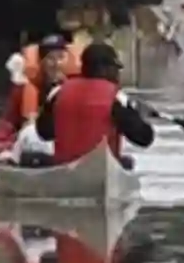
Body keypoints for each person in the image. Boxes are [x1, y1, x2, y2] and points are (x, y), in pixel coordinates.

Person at [35, 41, 154, 169]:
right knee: (127, 162)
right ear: (105, 69)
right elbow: (144, 138)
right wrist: (138, 116)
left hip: (63, 167)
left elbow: (44, 133)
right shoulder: (117, 97)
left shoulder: (58, 92)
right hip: (102, 168)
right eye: (115, 69)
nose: (117, 75)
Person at [0, 34, 69, 166]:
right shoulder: (23, 89)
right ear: (41, 62)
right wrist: (0, 146)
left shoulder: (72, 88)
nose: (56, 64)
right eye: (51, 58)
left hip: (62, 148)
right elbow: (8, 123)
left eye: (61, 58)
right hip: (30, 149)